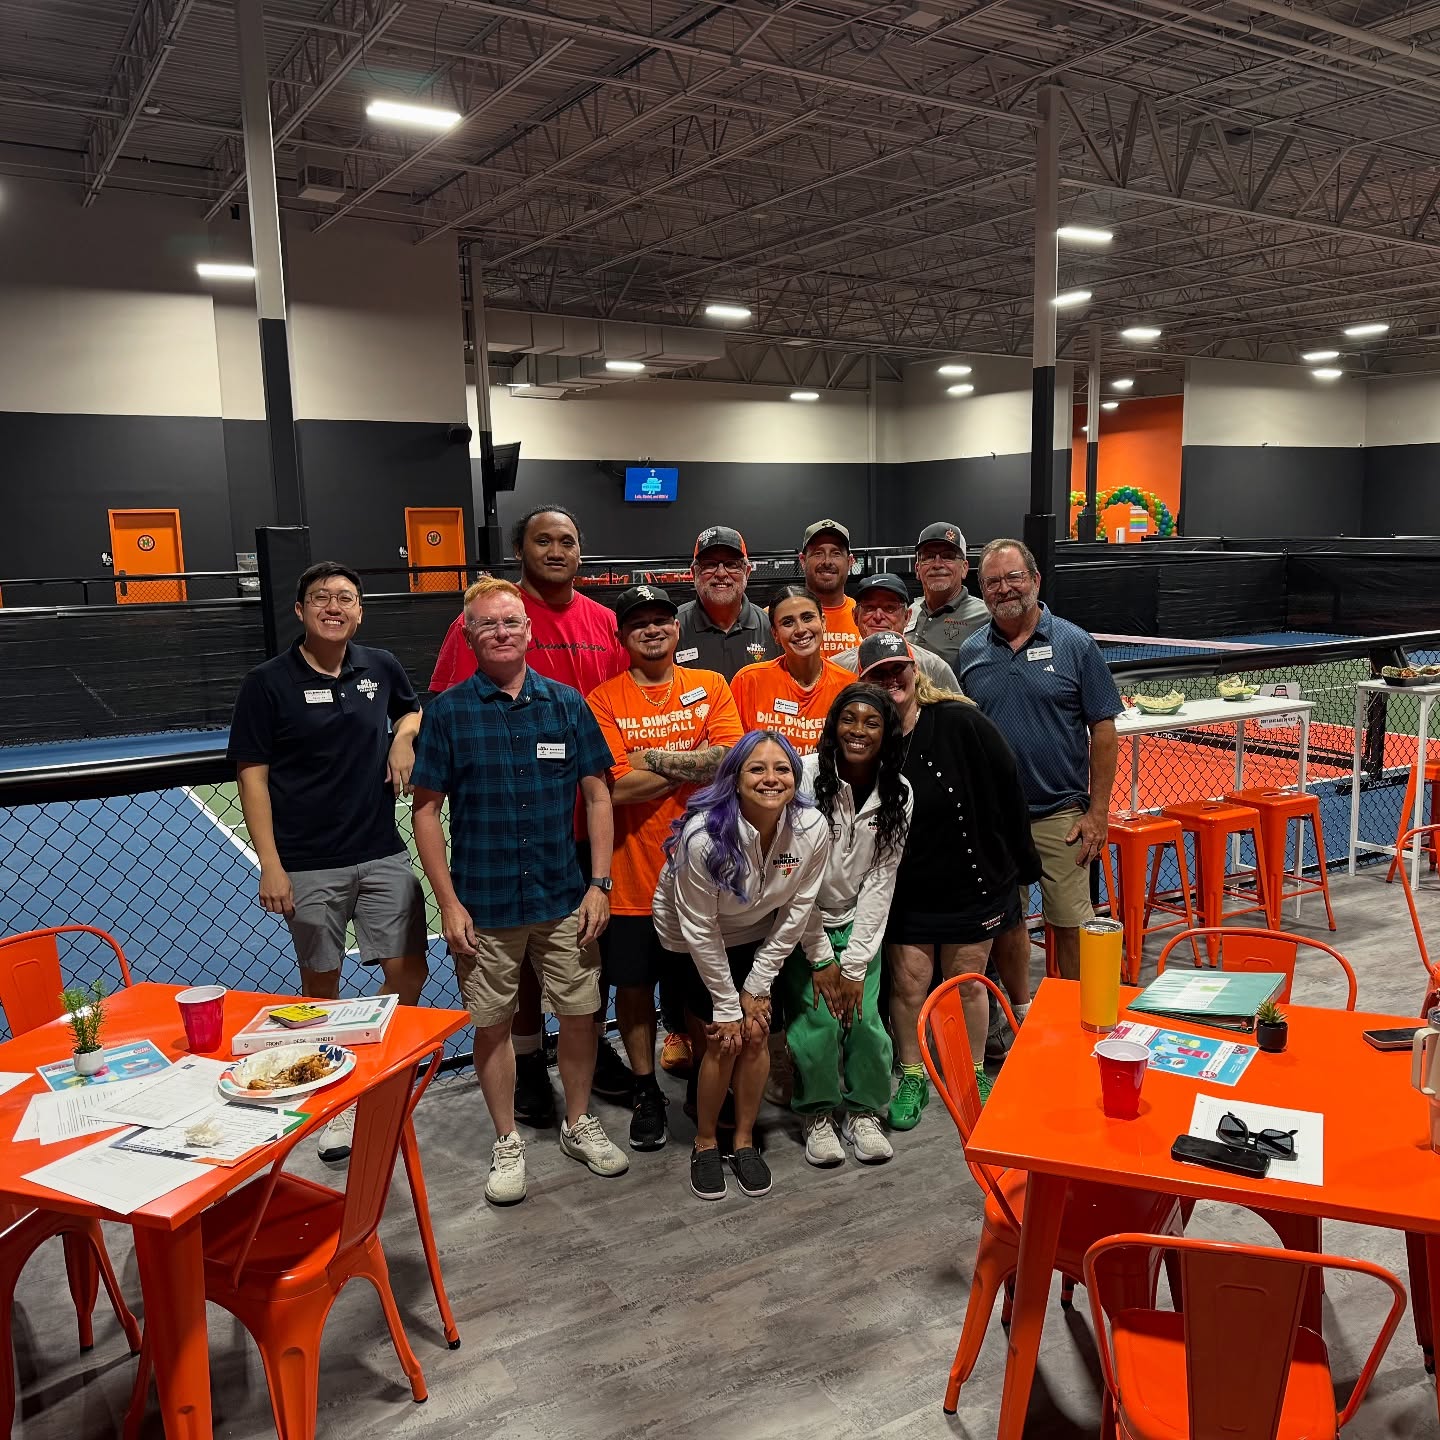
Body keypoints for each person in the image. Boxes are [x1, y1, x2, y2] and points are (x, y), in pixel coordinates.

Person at [410, 576, 627, 1206]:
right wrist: (449, 903)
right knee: (493, 1024)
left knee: (581, 1015)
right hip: (485, 904)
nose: (501, 632)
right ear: (468, 635)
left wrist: (599, 884)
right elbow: (426, 811)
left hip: (564, 897)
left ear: (529, 631)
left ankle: (578, 1122)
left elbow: (598, 796)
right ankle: (507, 1140)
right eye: (487, 624)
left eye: (510, 622)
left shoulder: (566, 704)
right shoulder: (448, 713)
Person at [229, 560, 427, 1164]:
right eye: (320, 597)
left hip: (381, 849)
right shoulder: (267, 683)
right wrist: (270, 863)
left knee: (408, 970)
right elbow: (252, 777)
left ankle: (378, 1073)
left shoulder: (380, 666)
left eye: (345, 598)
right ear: (300, 610)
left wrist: (402, 737)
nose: (333, 607)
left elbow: (411, 708)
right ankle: (336, 1101)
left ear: (359, 612)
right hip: (307, 862)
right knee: (322, 989)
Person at [586, 584, 744, 1151]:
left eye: (661, 620)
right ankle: (645, 1088)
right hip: (632, 873)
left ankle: (708, 1086)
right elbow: (615, 788)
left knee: (702, 990)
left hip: (705, 874)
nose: (652, 630)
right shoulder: (603, 699)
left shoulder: (712, 685)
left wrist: (651, 760)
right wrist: (692, 761)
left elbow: (730, 762)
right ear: (622, 636)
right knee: (633, 990)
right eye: (638, 623)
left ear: (677, 629)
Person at [858, 632, 1041, 1119]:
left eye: (897, 669)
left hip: (972, 882)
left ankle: (972, 1070)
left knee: (968, 983)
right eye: (878, 674)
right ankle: (913, 1075)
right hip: (909, 888)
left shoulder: (960, 720)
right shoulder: (869, 738)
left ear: (914, 670)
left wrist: (1021, 864)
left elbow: (1008, 785)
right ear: (864, 683)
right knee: (909, 987)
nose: (890, 680)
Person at [653, 731, 830, 1201]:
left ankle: (745, 1140)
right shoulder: (703, 837)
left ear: (795, 777)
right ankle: (706, 1141)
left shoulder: (812, 827)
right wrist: (728, 1003)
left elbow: (798, 908)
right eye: (757, 768)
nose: (771, 778)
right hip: (690, 936)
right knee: (721, 1038)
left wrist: (757, 984)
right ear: (734, 778)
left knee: (755, 1033)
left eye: (782, 768)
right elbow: (699, 927)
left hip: (753, 929)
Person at [958, 538, 1122, 983]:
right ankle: (1019, 1010)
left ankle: (1079, 1015)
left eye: (1013, 577)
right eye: (992, 582)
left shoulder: (1075, 644)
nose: (1004, 588)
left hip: (1060, 816)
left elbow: (1104, 730)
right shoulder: (971, 652)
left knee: (1070, 925)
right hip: (995, 821)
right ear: (982, 590)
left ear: (1035, 579)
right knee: (1004, 925)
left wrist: (1098, 812)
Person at [782, 684, 912, 1167]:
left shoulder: (899, 791)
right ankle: (817, 1113)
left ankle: (863, 1112)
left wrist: (855, 964)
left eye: (871, 722)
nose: (858, 730)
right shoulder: (805, 777)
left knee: (865, 1022)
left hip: (860, 922)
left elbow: (882, 880)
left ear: (886, 732)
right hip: (804, 919)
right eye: (849, 719)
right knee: (816, 1024)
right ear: (834, 725)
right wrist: (821, 957)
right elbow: (795, 875)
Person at [728, 586, 852, 754]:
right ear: (775, 634)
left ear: (823, 622)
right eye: (787, 622)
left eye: (807, 618)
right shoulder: (749, 681)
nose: (800, 630)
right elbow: (733, 754)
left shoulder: (848, 685)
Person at [675, 526, 778, 679]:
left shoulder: (772, 629)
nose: (721, 573)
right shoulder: (672, 629)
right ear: (694, 573)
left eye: (732, 564)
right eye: (709, 564)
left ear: (747, 572)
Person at [833, 574, 962, 691]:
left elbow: (959, 709)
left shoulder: (933, 666)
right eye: (869, 607)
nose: (878, 616)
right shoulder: (836, 667)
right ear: (855, 616)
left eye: (890, 608)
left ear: (907, 617)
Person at [905, 522, 990, 671]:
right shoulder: (911, 611)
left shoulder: (985, 617)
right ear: (917, 569)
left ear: (964, 568)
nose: (937, 564)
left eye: (948, 556)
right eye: (929, 557)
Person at [798, 518, 862, 657]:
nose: (827, 562)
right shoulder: (774, 618)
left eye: (836, 553)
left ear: (850, 561)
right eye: (818, 553)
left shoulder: (865, 619)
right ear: (803, 560)